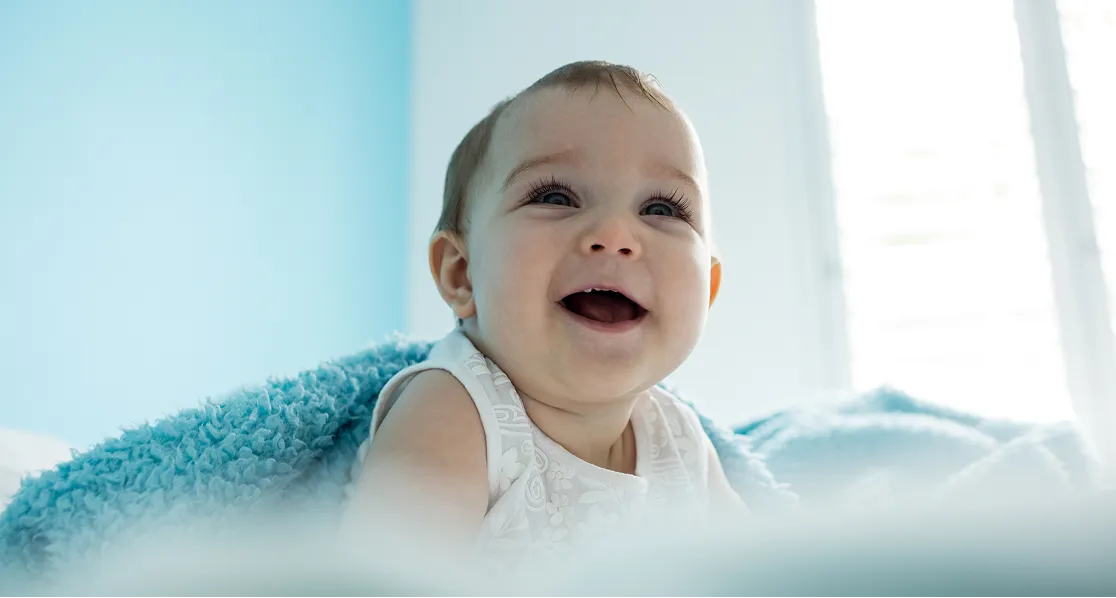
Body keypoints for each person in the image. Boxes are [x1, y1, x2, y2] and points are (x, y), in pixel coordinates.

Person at [345, 60, 746, 566]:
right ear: (462, 273)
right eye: (556, 197)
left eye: (662, 208)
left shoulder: (682, 443)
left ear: (707, 289)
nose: (616, 236)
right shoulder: (456, 415)